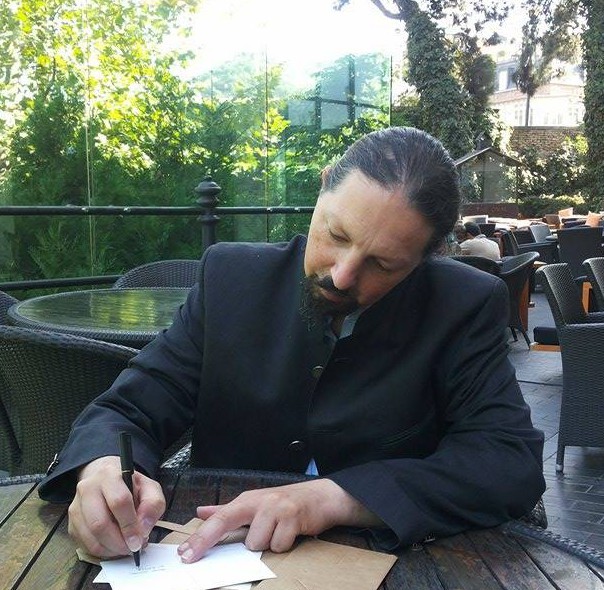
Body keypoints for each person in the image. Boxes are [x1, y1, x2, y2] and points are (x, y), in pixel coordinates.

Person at [38, 127, 545, 564]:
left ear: (428, 256)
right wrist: (102, 467)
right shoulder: (231, 277)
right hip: (214, 557)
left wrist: (335, 499)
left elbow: (507, 462)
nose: (341, 275)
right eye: (336, 234)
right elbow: (131, 406)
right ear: (323, 184)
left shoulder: (463, 305)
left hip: (394, 560)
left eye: (383, 264)